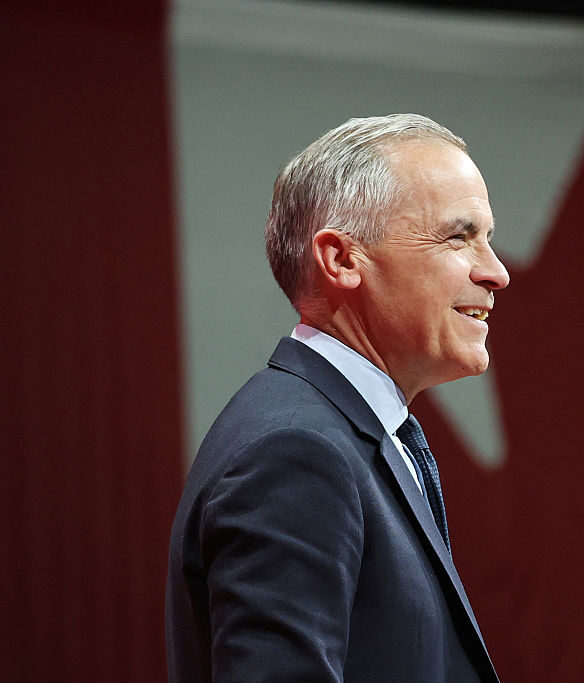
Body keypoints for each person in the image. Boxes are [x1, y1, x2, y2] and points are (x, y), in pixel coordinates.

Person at [166, 114, 509, 682]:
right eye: (458, 236)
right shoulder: (295, 452)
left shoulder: (344, 436)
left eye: (488, 238)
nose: (496, 272)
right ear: (343, 260)